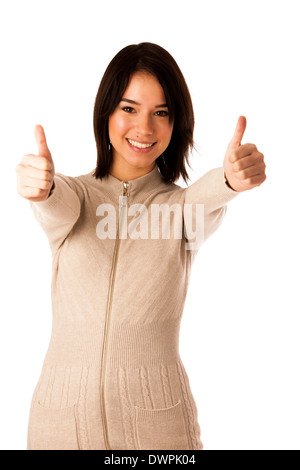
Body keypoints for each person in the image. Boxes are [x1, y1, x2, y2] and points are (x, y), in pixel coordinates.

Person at [16, 42, 266, 451]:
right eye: (129, 108)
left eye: (161, 113)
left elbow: (204, 199)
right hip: (57, 424)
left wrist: (229, 180)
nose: (144, 128)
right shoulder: (75, 198)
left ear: (176, 123)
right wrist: (40, 188)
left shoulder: (180, 212)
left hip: (159, 428)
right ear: (106, 114)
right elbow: (54, 202)